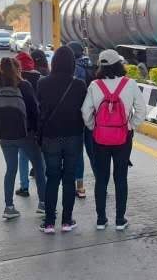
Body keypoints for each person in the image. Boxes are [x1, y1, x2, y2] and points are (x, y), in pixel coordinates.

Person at [81, 49, 146, 230]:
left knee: (101, 178)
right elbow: (141, 110)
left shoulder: (95, 85)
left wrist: (94, 127)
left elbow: (85, 112)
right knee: (120, 178)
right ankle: (119, 219)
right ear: (119, 64)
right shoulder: (130, 84)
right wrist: (130, 125)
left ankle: (101, 220)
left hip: (100, 138)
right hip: (123, 138)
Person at [36, 47, 87, 234]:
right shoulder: (79, 85)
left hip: (50, 137)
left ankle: (49, 222)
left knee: (52, 178)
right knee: (68, 179)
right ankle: (67, 221)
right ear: (72, 64)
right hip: (73, 136)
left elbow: (39, 109)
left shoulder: (42, 83)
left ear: (54, 62)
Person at [0, 57, 46, 219]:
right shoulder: (24, 85)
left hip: (5, 136)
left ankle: (9, 207)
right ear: (18, 69)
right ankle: (43, 204)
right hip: (26, 134)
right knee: (39, 167)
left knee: (10, 170)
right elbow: (34, 110)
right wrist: (36, 132)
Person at [14, 51, 42, 197]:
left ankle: (24, 187)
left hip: (22, 126)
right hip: (38, 125)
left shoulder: (16, 82)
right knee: (40, 159)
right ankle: (43, 193)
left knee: (23, 157)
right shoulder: (40, 79)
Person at [69, 41, 95, 198]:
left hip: (78, 117)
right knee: (93, 152)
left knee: (78, 153)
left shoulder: (75, 70)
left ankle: (80, 187)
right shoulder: (91, 66)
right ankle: (101, 182)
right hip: (94, 116)